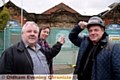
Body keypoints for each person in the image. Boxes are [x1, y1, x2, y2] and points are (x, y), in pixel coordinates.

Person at [0, 21, 65, 74]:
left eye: (35, 32)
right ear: (22, 34)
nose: (32, 34)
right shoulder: (10, 53)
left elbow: (50, 54)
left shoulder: (41, 50)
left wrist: (58, 44)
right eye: (29, 31)